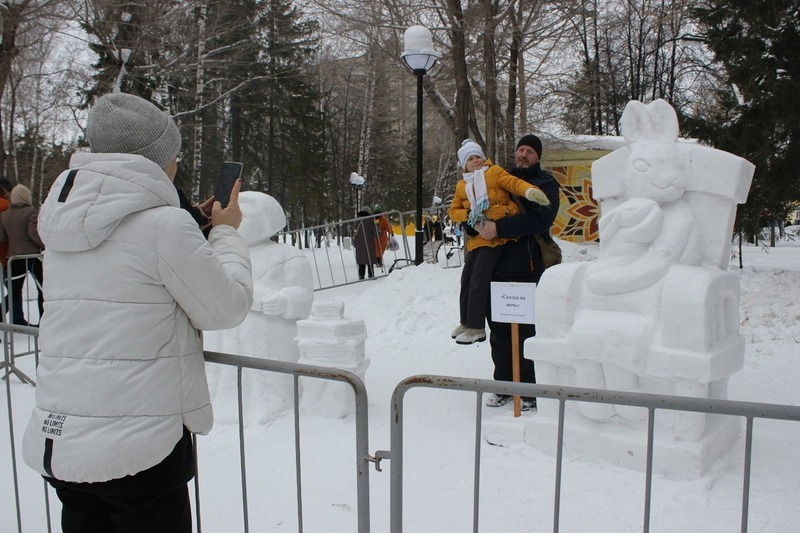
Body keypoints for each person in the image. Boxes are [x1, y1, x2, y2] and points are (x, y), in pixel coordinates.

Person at [21, 92, 253, 533]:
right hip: (140, 452)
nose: (177, 166)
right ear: (154, 160)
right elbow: (228, 306)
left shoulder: (62, 225)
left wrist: (192, 223)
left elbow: (124, 271)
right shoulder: (164, 226)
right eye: (174, 156)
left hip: (66, 442)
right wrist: (224, 234)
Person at [476, 134, 560, 411]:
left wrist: (499, 229)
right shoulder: (499, 178)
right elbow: (476, 207)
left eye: (530, 151)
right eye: (520, 149)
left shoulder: (545, 183)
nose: (523, 154)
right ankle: (503, 385)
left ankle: (528, 390)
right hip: (496, 267)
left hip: (527, 268)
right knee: (499, 331)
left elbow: (540, 219)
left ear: (538, 156)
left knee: (526, 332)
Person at [448, 139, 550, 345]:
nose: (476, 161)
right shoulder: (462, 186)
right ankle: (466, 321)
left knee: (479, 279)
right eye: (470, 159)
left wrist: (530, 192)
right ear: (463, 165)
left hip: (496, 237)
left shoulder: (494, 172)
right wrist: (471, 215)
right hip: (477, 238)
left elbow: (513, 183)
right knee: (466, 279)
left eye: (478, 156)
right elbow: (452, 211)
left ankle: (476, 327)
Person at [0, 184, 44, 325]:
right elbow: (33, 233)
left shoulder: (4, 215)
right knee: (42, 288)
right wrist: (43, 244)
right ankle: (44, 320)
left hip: (13, 257)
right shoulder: (31, 212)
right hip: (31, 257)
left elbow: (2, 237)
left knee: (13, 292)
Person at [353, 206, 378, 279]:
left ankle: (361, 275)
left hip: (359, 242)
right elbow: (375, 230)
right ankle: (371, 274)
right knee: (369, 258)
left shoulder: (357, 220)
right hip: (368, 241)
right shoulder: (369, 219)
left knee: (361, 259)